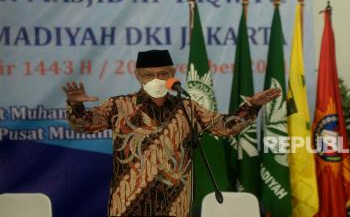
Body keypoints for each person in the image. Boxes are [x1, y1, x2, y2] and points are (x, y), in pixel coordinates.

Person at [62, 49, 281, 217]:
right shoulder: (119, 106)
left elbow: (224, 127)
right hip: (129, 203)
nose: (155, 79)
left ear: (172, 74)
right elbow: (83, 125)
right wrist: (75, 105)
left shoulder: (187, 108)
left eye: (161, 74)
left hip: (175, 203)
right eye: (148, 75)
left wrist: (252, 106)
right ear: (138, 76)